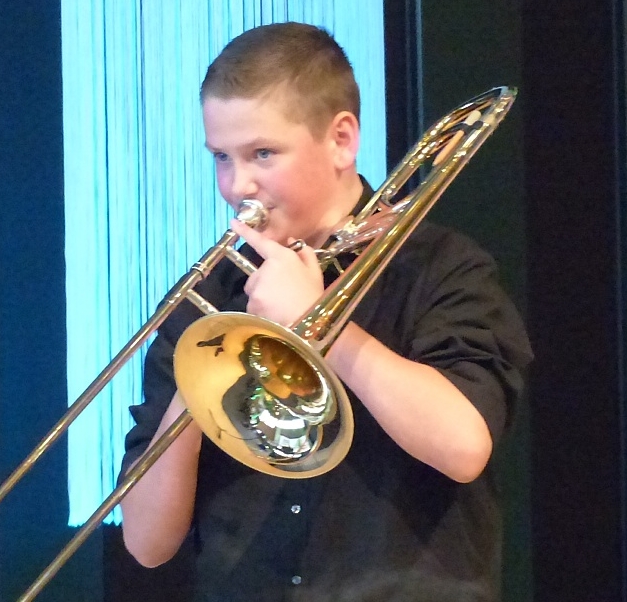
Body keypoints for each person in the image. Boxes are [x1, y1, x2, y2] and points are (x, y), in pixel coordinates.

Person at [119, 21, 533, 602]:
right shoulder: (207, 298)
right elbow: (146, 543)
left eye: (263, 153)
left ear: (341, 139)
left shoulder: (442, 268)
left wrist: (323, 323)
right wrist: (208, 361)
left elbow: (464, 447)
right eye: (221, 157)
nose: (239, 185)